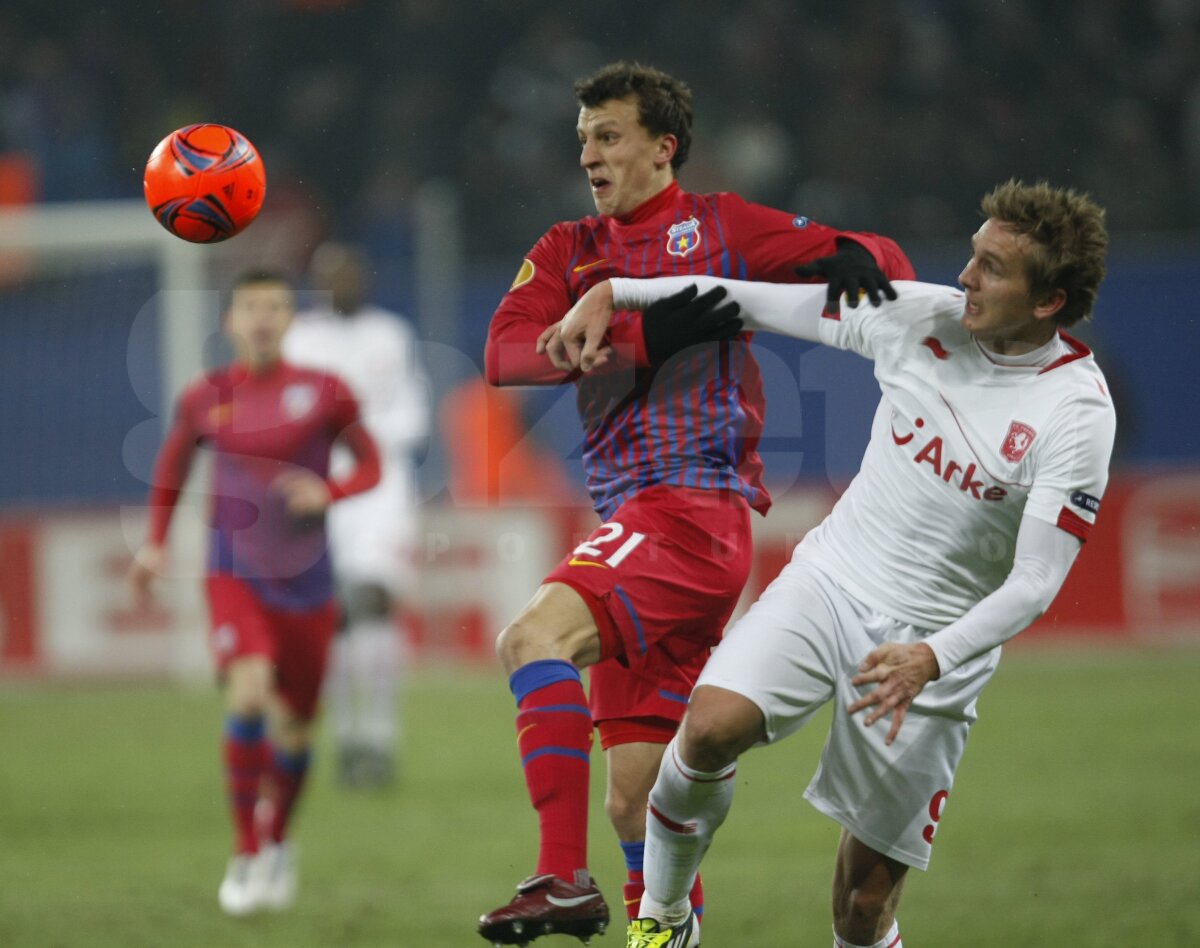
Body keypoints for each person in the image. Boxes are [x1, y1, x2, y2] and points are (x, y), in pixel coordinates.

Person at [550, 179, 1114, 948]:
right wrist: (617, 291)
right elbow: (745, 301)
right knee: (708, 729)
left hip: (932, 649)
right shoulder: (919, 317)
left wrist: (931, 657)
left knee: (862, 907)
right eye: (972, 256)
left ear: (1048, 301)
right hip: (832, 582)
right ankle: (666, 919)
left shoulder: (1074, 413)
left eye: (992, 269)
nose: (966, 279)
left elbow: (1036, 580)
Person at [478, 60, 914, 947]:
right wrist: (642, 339)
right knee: (638, 800)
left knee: (531, 639)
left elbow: (876, 256)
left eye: (609, 136)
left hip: (689, 513)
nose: (589, 156)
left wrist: (859, 258)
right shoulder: (567, 249)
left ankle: (561, 879)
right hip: (642, 525)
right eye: (583, 140)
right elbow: (505, 354)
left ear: (663, 147)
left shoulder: (719, 227)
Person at [127, 269, 381, 915]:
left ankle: (277, 839)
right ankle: (245, 852)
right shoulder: (205, 396)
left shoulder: (326, 391)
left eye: (274, 306)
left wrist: (330, 491)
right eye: (251, 307)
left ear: (290, 319)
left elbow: (373, 464)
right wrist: (155, 544)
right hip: (233, 572)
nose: (263, 318)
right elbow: (173, 465)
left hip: (309, 582)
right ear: (230, 321)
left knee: (295, 730)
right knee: (247, 693)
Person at [284, 242, 429, 788]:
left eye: (350, 274)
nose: (342, 283)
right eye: (332, 275)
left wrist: (364, 435)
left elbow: (414, 414)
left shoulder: (390, 334)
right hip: (319, 483)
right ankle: (348, 738)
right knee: (334, 613)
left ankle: (381, 736)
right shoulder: (299, 340)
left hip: (382, 484)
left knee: (374, 598)